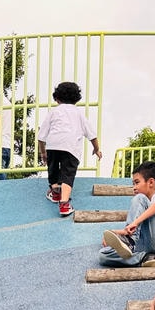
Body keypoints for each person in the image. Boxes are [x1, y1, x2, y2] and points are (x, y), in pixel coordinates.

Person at [37, 81, 102, 218]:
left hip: (53, 145)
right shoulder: (79, 113)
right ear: (77, 98)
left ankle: (55, 192)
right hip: (71, 147)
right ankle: (64, 203)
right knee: (67, 173)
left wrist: (43, 153)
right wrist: (97, 149)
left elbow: (41, 137)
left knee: (53, 168)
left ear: (57, 98)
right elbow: (92, 135)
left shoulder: (53, 112)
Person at [100, 160, 155, 267]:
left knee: (140, 198)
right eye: (133, 184)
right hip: (145, 244)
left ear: (151, 183)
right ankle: (146, 258)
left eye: (137, 182)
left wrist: (135, 223)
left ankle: (129, 241)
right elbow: (131, 229)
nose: (134, 187)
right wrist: (113, 234)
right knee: (103, 255)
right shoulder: (141, 208)